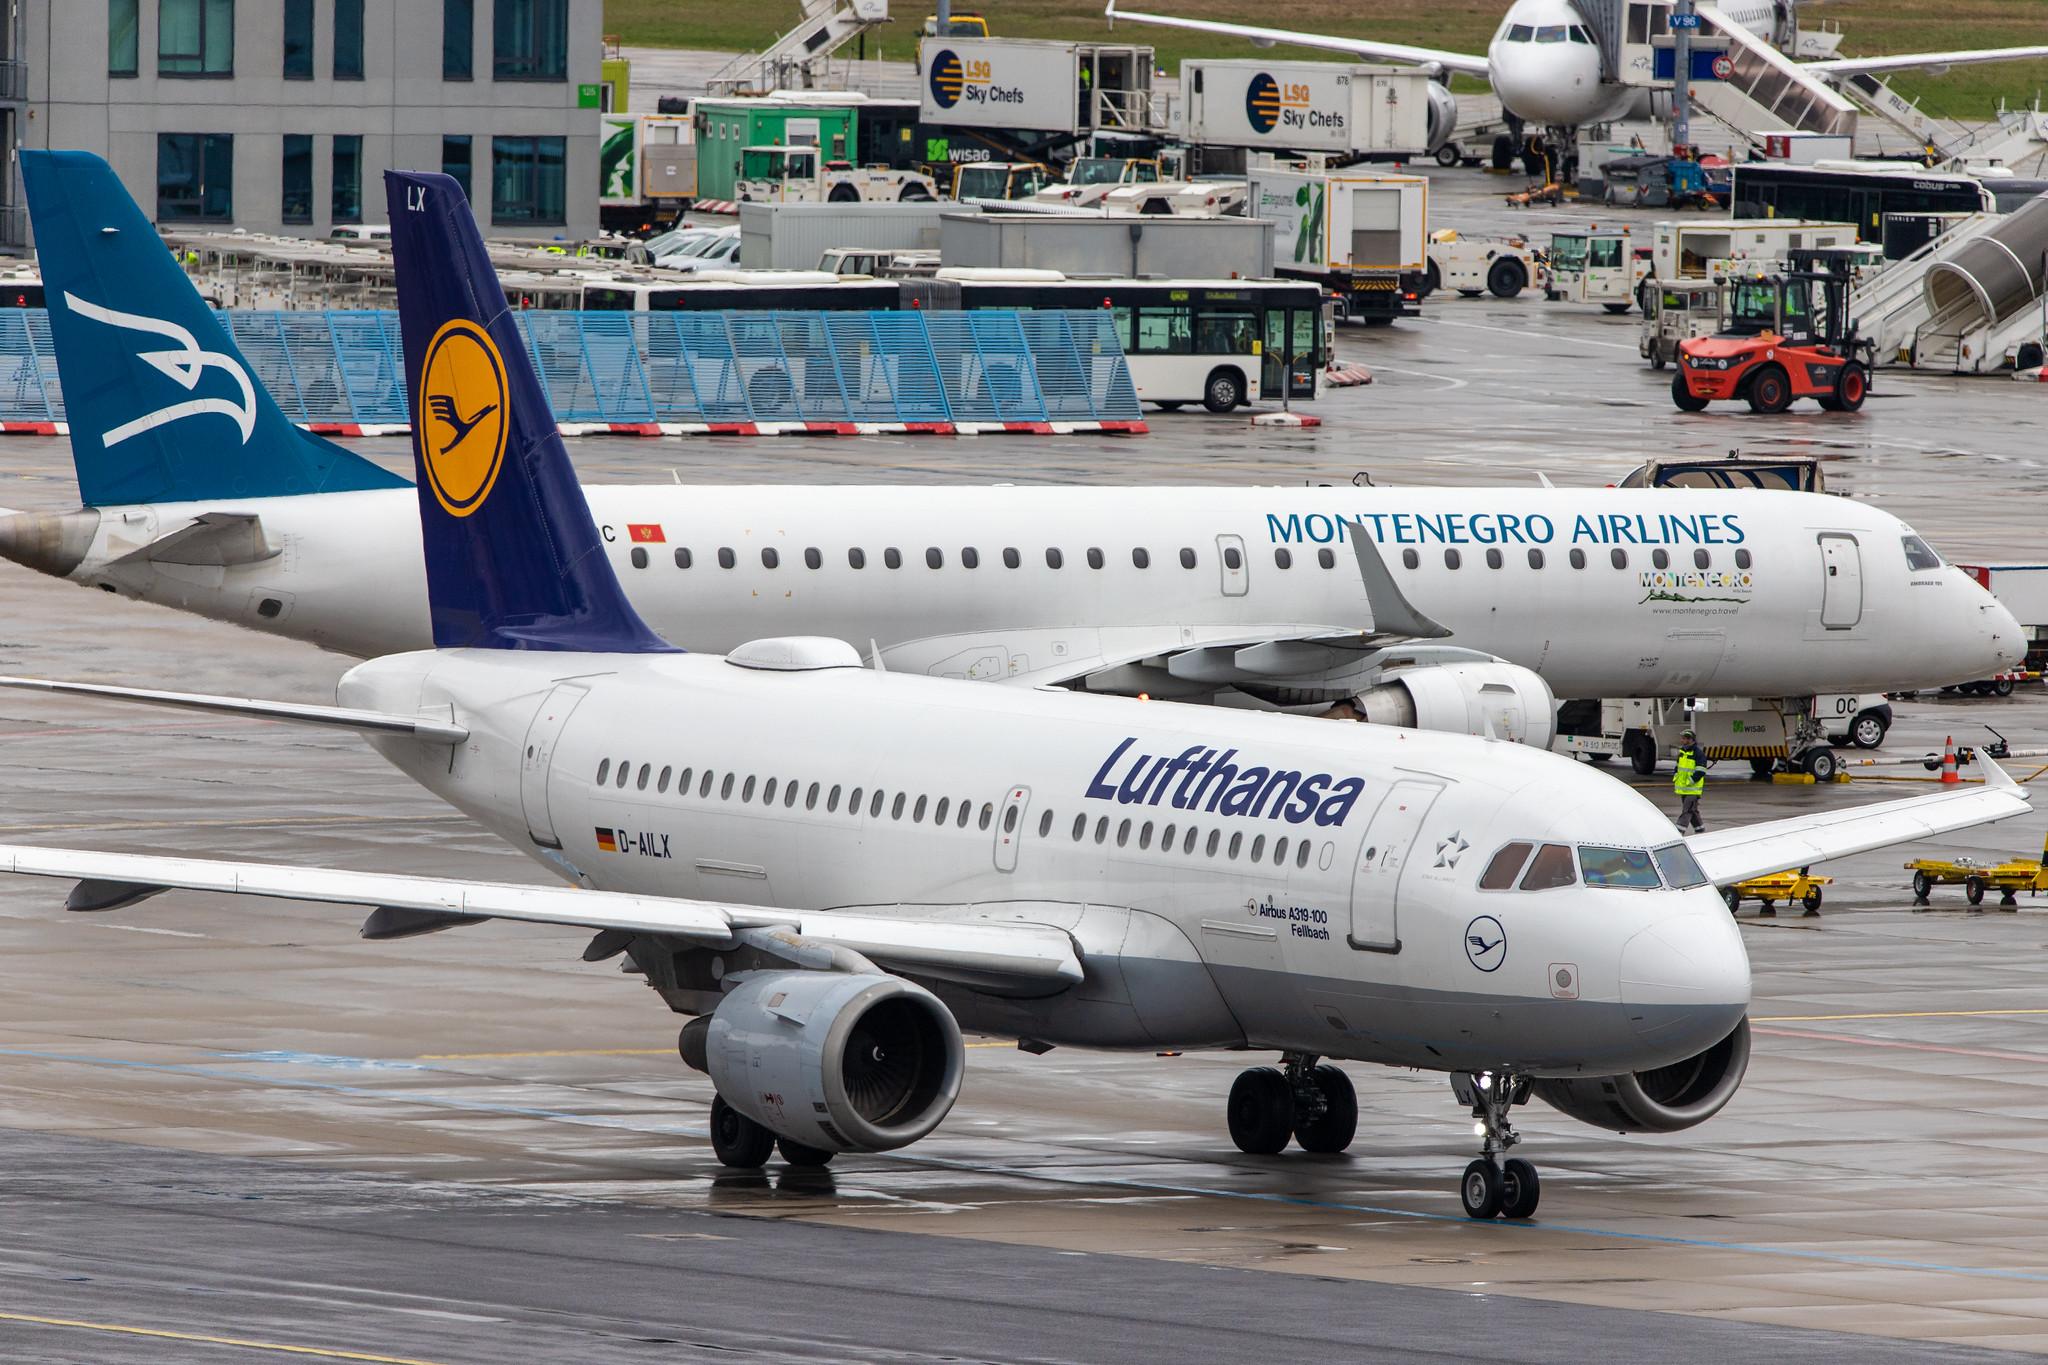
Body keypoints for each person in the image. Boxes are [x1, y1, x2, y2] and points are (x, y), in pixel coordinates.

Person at [1672, 729, 1706, 832]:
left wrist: (1690, 781)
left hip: (1692, 789)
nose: (1681, 740)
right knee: (1692, 810)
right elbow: (1678, 767)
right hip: (1684, 789)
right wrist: (1676, 775)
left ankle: (1679, 831)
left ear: (1690, 740)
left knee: (1686, 811)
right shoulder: (1682, 752)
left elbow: (1701, 771)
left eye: (1684, 738)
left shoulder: (1698, 754)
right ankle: (1700, 829)